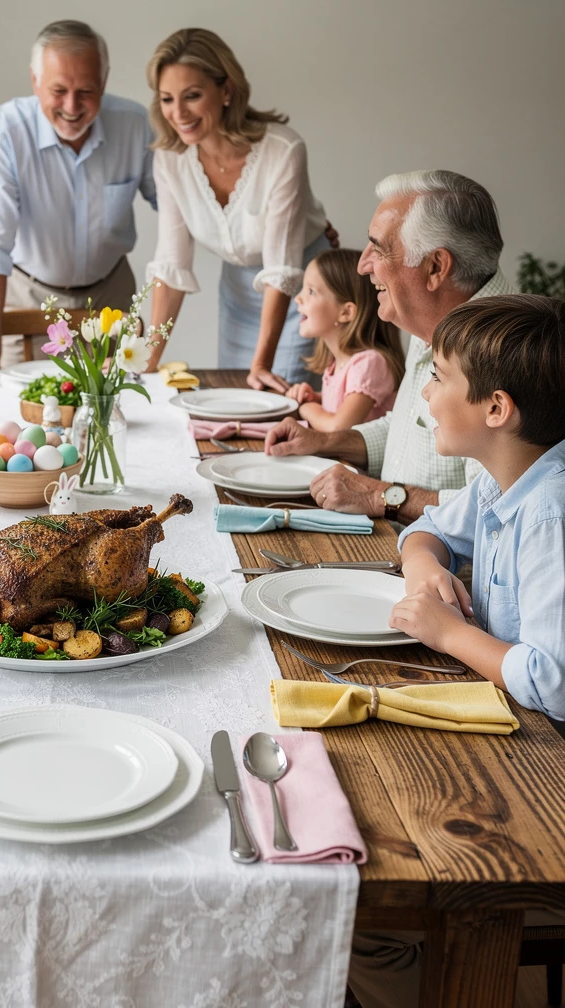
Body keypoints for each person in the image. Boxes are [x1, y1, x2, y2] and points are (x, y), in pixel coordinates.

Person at [348, 294, 565, 1008]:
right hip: (510, 733)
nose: (426, 394)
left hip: (546, 775)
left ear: (496, 408)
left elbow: (554, 680)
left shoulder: (551, 511)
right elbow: (430, 529)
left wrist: (449, 635)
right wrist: (425, 569)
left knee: (362, 904)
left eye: (439, 378)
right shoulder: (502, 477)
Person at [264, 169, 514, 522]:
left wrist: (380, 496)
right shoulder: (433, 317)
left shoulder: (502, 354)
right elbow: (406, 429)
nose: (363, 265)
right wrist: (322, 441)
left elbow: (496, 511)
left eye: (378, 249)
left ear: (435, 267)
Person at [0, 19, 155, 372]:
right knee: (24, 401)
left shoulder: (136, 125)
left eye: (86, 91)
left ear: (104, 81)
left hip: (111, 295)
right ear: (35, 80)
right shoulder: (1, 134)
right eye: (58, 90)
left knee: (114, 401)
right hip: (29, 296)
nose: (72, 106)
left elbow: (177, 211)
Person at [144, 28, 333, 388]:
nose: (178, 113)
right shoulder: (169, 159)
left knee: (282, 399)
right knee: (234, 397)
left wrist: (260, 364)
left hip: (302, 293)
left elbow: (281, 268)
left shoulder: (283, 151)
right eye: (167, 99)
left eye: (192, 96)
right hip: (237, 294)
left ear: (227, 90)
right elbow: (171, 266)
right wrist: (147, 360)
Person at [285, 248, 404, 431]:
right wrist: (316, 398)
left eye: (311, 291)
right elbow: (342, 406)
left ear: (346, 312)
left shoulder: (369, 364)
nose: (298, 298)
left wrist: (306, 408)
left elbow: (338, 427)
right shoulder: (338, 363)